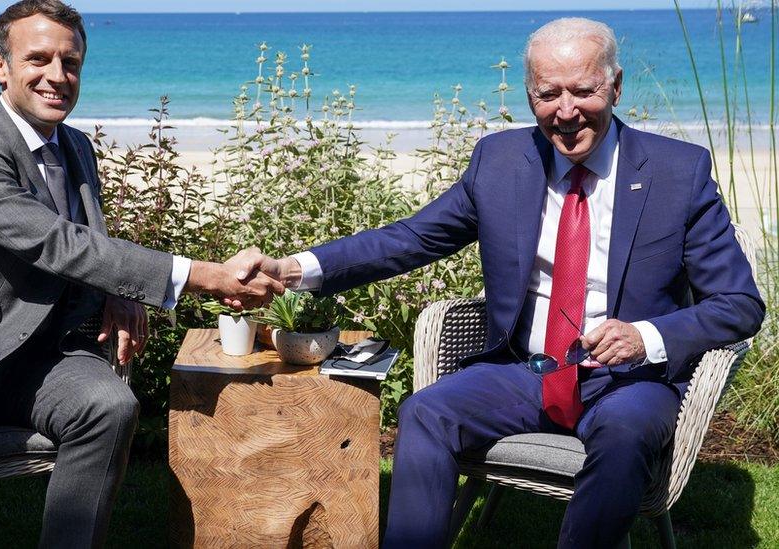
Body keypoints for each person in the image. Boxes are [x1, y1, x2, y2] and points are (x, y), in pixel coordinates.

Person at [231, 17, 764, 548]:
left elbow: (739, 304)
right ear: (528, 95)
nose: (566, 110)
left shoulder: (678, 173)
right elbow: (408, 239)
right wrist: (292, 269)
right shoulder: (501, 162)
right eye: (548, 93)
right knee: (425, 411)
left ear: (616, 86)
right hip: (524, 372)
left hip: (629, 383)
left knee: (624, 435)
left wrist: (644, 336)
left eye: (584, 90)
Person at [0, 1, 282, 547]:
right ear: (1, 66)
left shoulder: (76, 146)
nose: (57, 76)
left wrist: (118, 290)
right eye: (38, 59)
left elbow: (91, 242)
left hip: (42, 362)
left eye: (72, 62)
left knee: (111, 405)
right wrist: (204, 275)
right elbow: (55, 242)